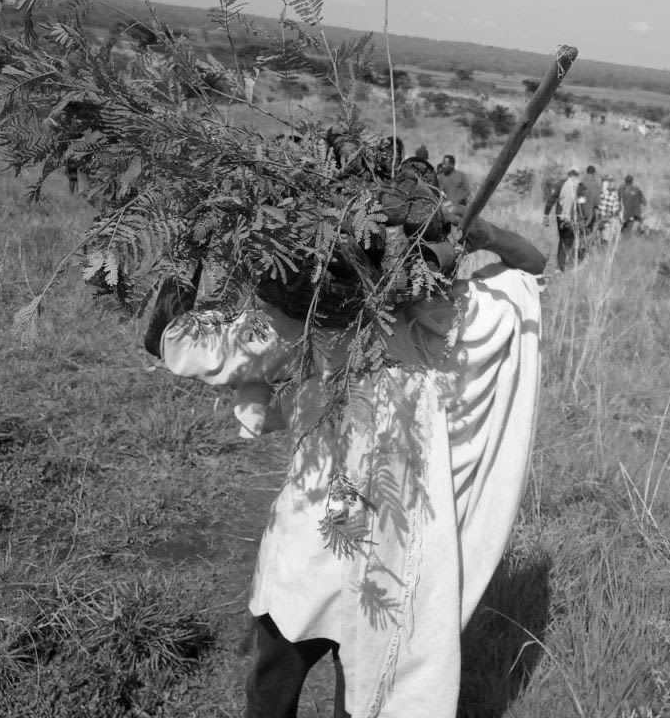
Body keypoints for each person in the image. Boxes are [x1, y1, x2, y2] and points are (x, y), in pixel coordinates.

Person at [159, 216, 545, 718]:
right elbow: (530, 270)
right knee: (364, 687)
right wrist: (482, 234)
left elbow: (180, 348)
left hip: (311, 538)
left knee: (275, 688)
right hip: (393, 547)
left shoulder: (295, 321)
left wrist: (186, 251)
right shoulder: (449, 316)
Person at [542, 167, 588, 270]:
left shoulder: (561, 184)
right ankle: (565, 267)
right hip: (572, 218)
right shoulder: (580, 187)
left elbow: (551, 199)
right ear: (578, 175)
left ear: (569, 174)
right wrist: (585, 218)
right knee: (569, 241)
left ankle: (560, 266)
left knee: (563, 240)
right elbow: (582, 204)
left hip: (560, 217)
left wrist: (546, 214)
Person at [596, 174, 622, 245]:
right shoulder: (614, 195)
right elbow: (614, 212)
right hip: (607, 222)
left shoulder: (598, 193)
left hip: (597, 221)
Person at [580, 165, 601, 235]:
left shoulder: (582, 182)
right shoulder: (595, 184)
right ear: (594, 173)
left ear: (587, 172)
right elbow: (597, 202)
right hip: (590, 212)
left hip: (580, 210)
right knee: (592, 228)